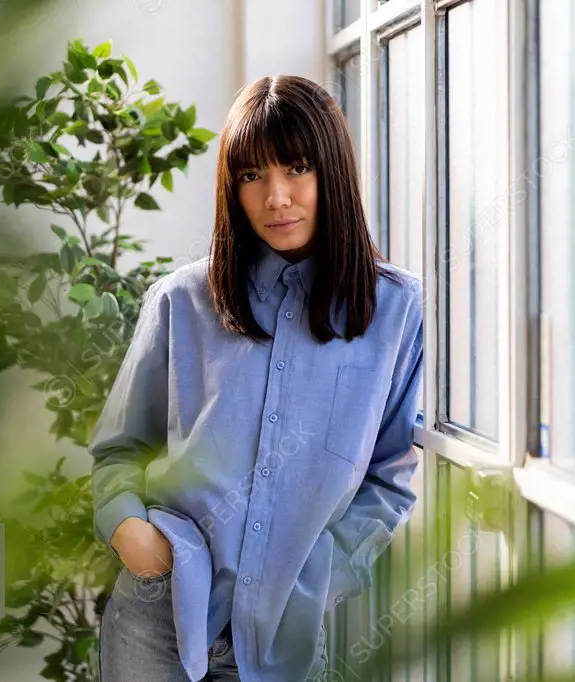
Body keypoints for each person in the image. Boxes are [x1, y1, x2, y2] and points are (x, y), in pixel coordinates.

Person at [90, 74, 424, 682]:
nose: (276, 197)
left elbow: (391, 469)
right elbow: (119, 451)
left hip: (283, 634)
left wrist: (329, 571)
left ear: (333, 172)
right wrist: (127, 529)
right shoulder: (180, 301)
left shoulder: (393, 308)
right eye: (252, 176)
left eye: (297, 169)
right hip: (158, 616)